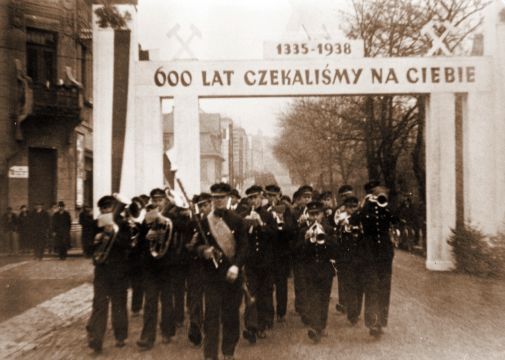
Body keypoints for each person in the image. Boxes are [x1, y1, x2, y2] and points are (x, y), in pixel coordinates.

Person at [193, 182, 248, 360]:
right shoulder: (203, 221)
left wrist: (236, 266)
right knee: (211, 317)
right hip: (212, 278)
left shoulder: (237, 221)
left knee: (231, 316)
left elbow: (244, 248)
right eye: (215, 198)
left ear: (228, 198)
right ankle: (210, 355)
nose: (218, 201)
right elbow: (194, 246)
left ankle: (228, 352)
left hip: (232, 277)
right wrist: (204, 251)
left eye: (221, 197)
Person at [86, 194, 132, 353]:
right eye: (102, 208)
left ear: (114, 209)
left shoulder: (123, 224)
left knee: (119, 305)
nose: (105, 210)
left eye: (108, 208)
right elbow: (87, 249)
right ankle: (97, 340)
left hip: (119, 271)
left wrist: (114, 233)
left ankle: (120, 336)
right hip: (102, 271)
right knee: (99, 304)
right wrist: (96, 240)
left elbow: (127, 245)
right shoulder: (95, 225)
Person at [294, 200, 337, 343]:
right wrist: (305, 239)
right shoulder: (302, 231)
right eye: (311, 215)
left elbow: (335, 250)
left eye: (317, 214)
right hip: (310, 271)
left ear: (322, 215)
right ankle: (314, 328)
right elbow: (297, 253)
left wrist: (324, 236)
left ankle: (321, 326)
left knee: (324, 300)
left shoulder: (329, 229)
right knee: (313, 299)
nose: (314, 218)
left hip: (325, 271)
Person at [358, 181, 395, 338]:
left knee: (384, 288)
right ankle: (372, 322)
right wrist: (367, 202)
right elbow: (357, 219)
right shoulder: (366, 209)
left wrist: (385, 206)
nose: (381, 199)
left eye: (383, 196)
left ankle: (381, 321)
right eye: (379, 196)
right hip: (369, 254)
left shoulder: (386, 210)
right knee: (372, 288)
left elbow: (396, 219)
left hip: (385, 255)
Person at [241, 185, 277, 343]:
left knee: (264, 294)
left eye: (255, 197)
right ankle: (251, 327)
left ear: (261, 198)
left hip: (266, 262)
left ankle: (262, 325)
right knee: (250, 294)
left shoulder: (268, 215)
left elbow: (275, 235)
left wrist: (261, 224)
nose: (253, 201)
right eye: (250, 198)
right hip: (250, 263)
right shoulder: (243, 216)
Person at [264, 184, 296, 324]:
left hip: (281, 252)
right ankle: (269, 314)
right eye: (269, 195)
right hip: (268, 252)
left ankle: (281, 312)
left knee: (281, 284)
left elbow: (291, 230)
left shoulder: (286, 209)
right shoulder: (264, 210)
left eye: (274, 195)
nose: (271, 198)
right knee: (268, 284)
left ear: (279, 195)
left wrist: (281, 220)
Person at [186, 192, 212, 347]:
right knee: (195, 298)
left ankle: (209, 328)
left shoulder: (218, 221)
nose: (203, 208)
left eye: (205, 205)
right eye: (200, 206)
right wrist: (192, 244)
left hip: (212, 267)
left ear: (211, 204)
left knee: (211, 299)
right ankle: (195, 327)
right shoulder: (194, 222)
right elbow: (189, 246)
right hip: (197, 265)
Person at [335, 196, 363, 325]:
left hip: (360, 256)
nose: (352, 209)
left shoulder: (361, 218)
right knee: (350, 285)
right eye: (349, 207)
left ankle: (356, 311)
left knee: (360, 285)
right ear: (345, 208)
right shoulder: (341, 218)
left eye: (354, 207)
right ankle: (353, 314)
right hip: (346, 257)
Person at [290, 185, 313, 324]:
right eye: (305, 197)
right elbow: (289, 232)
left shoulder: (315, 211)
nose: (308, 199)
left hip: (311, 252)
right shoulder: (293, 213)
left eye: (310, 197)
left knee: (310, 282)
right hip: (298, 252)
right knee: (301, 282)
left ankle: (306, 308)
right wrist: (299, 223)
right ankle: (304, 310)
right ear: (298, 199)